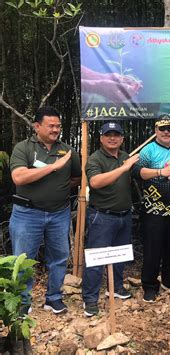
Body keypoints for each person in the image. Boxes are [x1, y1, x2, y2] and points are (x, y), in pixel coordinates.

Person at [9, 106, 81, 314]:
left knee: (59, 257)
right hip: (26, 214)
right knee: (22, 260)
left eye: (58, 126)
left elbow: (76, 178)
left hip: (59, 213)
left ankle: (54, 298)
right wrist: (53, 167)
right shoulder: (23, 148)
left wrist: (58, 187)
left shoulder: (67, 150)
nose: (56, 129)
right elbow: (19, 177)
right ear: (37, 126)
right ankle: (22, 302)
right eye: (51, 125)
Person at [82, 122, 139, 317]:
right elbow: (95, 182)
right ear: (101, 138)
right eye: (108, 135)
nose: (112, 138)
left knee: (119, 256)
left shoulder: (125, 157)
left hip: (124, 215)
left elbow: (138, 174)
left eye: (116, 135)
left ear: (122, 138)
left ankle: (115, 288)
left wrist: (159, 172)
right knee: (96, 259)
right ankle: (90, 299)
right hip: (102, 217)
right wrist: (124, 168)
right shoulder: (95, 159)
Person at [133, 115, 170, 302]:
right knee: (152, 249)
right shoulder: (148, 150)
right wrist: (159, 172)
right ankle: (149, 285)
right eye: (162, 128)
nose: (166, 132)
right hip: (153, 209)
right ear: (156, 130)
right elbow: (138, 173)